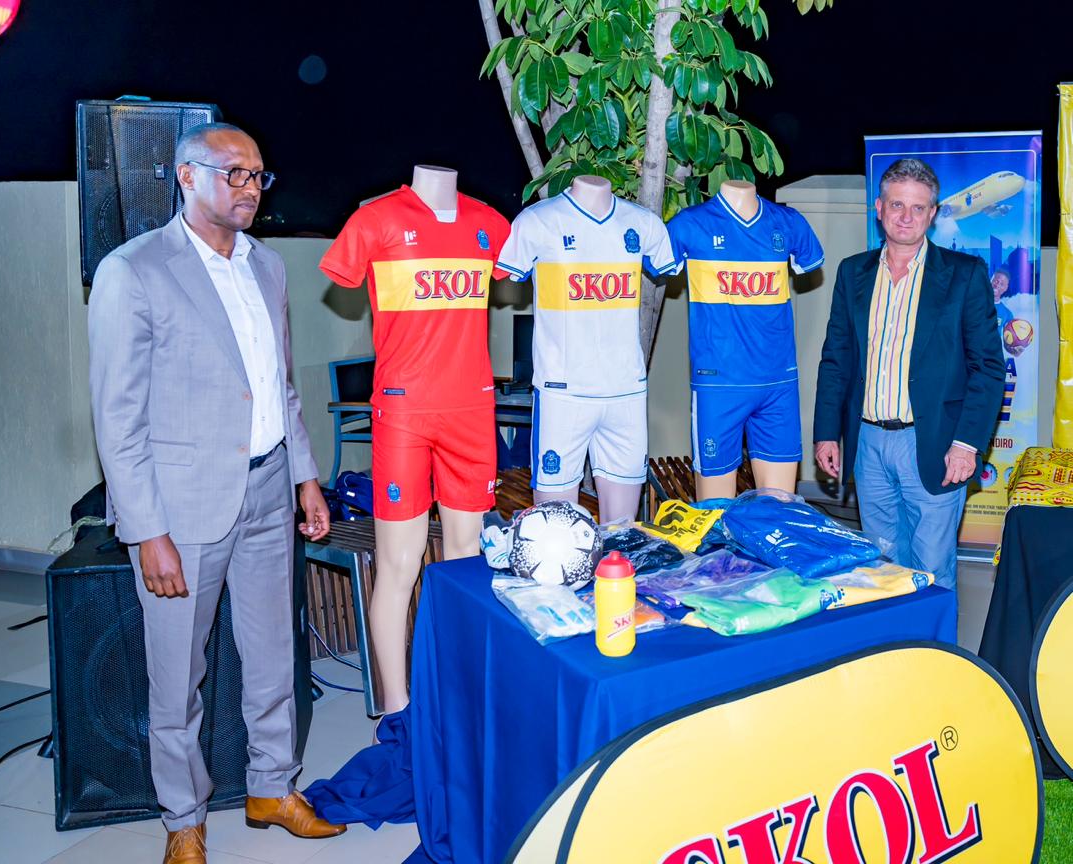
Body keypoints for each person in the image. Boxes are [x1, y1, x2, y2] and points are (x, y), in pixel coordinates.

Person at [89, 122, 345, 864]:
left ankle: (272, 787)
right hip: (181, 509)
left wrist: (305, 477)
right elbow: (117, 419)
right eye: (233, 172)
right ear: (185, 175)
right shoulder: (134, 271)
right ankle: (183, 820)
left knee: (272, 656)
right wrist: (146, 531)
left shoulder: (267, 266)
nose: (249, 188)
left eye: (258, 175)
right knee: (179, 677)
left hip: (268, 490)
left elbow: (280, 386)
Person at [319, 165, 511, 717]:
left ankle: (457, 697)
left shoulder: (490, 224)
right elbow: (342, 279)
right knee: (398, 564)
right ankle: (397, 710)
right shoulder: (376, 220)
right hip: (404, 411)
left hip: (472, 409)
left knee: (466, 560)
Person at [813, 158, 1005, 594]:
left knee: (932, 571)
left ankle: (935, 640)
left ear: (932, 213)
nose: (906, 217)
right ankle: (892, 638)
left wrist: (967, 444)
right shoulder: (852, 272)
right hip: (867, 445)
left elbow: (989, 368)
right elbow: (836, 359)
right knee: (883, 567)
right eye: (897, 205)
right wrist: (826, 433)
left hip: (936, 443)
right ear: (879, 208)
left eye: (918, 208)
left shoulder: (964, 275)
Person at [496, 175, 677, 522]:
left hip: (626, 393)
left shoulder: (643, 224)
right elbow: (510, 275)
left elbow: (665, 266)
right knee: (555, 529)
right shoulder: (538, 221)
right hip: (563, 395)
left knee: (621, 531)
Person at [667, 180, 825, 499]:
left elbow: (811, 260)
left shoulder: (788, 222)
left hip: (778, 384)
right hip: (720, 385)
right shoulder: (690, 223)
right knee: (715, 509)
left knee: (779, 508)